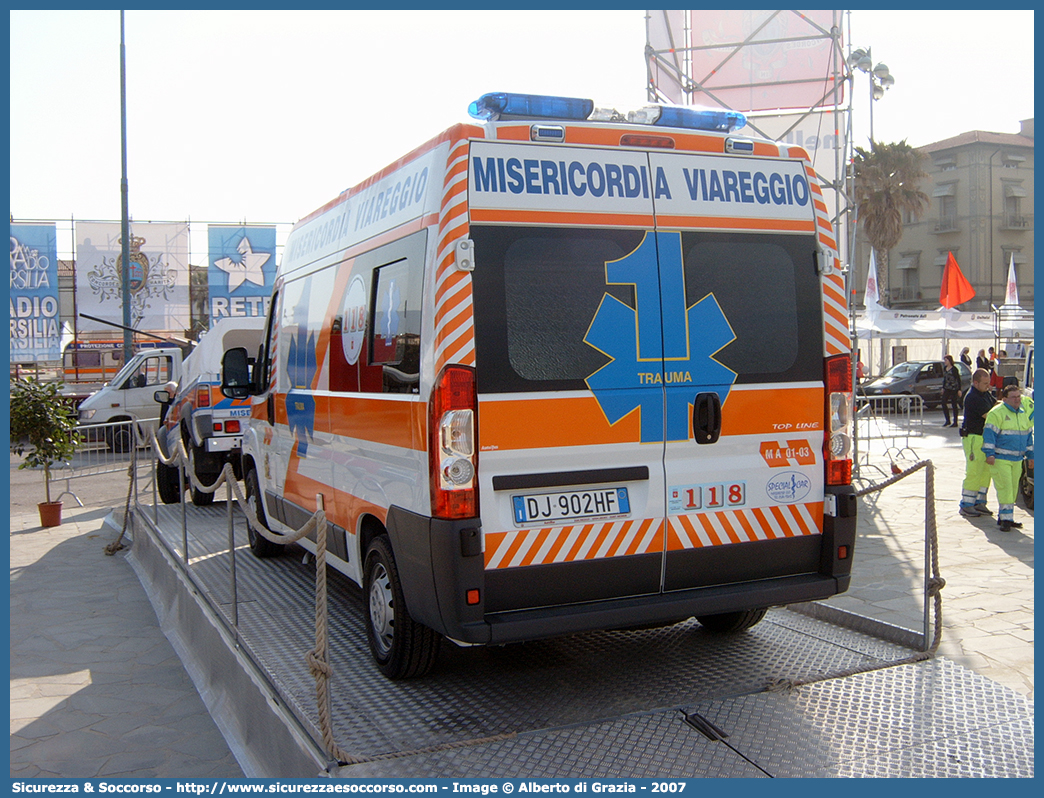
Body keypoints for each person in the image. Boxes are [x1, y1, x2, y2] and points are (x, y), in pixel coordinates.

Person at [982, 384, 1034, 531]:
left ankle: (1006, 517)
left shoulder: (1023, 413)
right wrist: (989, 454)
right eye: (1013, 397)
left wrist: (1031, 456)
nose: (1017, 400)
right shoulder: (996, 413)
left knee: (1011, 490)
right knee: (1005, 488)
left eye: (1019, 397)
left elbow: (1028, 436)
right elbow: (989, 436)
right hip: (1000, 458)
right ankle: (1006, 519)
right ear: (1004, 399)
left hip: (1017, 460)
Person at [958, 368, 996, 518]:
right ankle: (967, 504)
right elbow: (989, 415)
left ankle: (980, 501)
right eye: (985, 383)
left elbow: (995, 405)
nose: (988, 386)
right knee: (974, 471)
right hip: (974, 437)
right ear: (976, 382)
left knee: (986, 471)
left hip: (985, 437)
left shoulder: (984, 393)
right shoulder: (973, 396)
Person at [941, 355, 962, 427]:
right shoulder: (945, 368)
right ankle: (947, 420)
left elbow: (958, 379)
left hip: (954, 388)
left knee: (954, 404)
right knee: (943, 402)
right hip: (947, 388)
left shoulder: (954, 369)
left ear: (949, 361)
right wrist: (943, 387)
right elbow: (945, 379)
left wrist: (959, 389)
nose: (945, 362)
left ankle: (955, 422)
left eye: (946, 360)